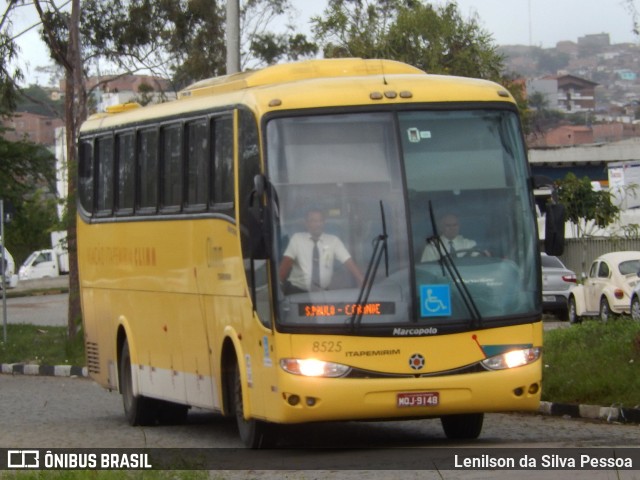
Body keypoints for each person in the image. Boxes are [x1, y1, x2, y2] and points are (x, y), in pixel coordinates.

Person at [279, 209, 364, 293]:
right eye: (313, 221)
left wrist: (362, 281)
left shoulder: (333, 240)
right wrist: (278, 287)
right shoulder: (297, 239)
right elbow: (286, 263)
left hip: (322, 294)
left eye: (320, 221)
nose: (318, 224)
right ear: (306, 223)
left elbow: (348, 261)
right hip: (297, 291)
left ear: (324, 223)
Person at [421, 213, 486, 262]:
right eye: (448, 225)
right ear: (441, 227)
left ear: (459, 226)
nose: (452, 228)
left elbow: (478, 264)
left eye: (455, 225)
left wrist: (486, 257)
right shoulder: (433, 247)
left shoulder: (470, 244)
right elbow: (427, 270)